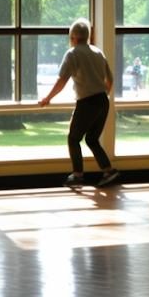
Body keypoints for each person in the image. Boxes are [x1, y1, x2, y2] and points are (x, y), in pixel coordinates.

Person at [39, 18, 120, 189]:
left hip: (87, 102)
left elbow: (62, 80)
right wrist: (104, 94)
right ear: (87, 36)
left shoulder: (72, 54)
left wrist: (47, 99)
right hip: (102, 101)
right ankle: (108, 170)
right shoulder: (97, 52)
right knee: (92, 139)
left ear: (73, 37)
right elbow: (110, 79)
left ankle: (77, 176)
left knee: (74, 138)